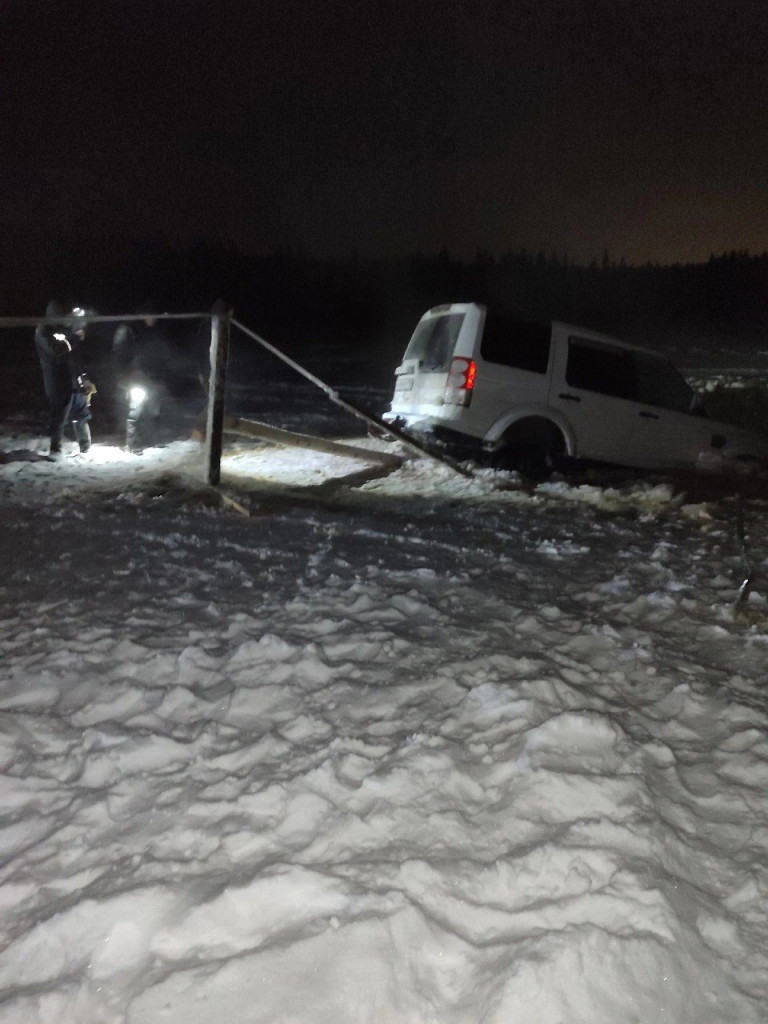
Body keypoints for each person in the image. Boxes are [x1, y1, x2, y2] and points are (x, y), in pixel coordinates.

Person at [34, 300, 96, 456]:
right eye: (63, 315)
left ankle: (85, 446)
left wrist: (85, 377)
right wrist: (74, 338)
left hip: (75, 381)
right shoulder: (43, 331)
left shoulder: (66, 329)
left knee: (82, 414)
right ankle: (56, 451)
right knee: (59, 418)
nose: (67, 318)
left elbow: (75, 357)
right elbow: (56, 351)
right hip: (58, 383)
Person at [113, 305, 170, 453]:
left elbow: (156, 352)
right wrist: (125, 377)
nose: (155, 319)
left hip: (151, 376)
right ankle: (132, 442)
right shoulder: (128, 329)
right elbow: (120, 354)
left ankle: (152, 438)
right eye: (153, 316)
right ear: (145, 315)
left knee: (153, 410)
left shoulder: (149, 330)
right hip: (136, 376)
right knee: (136, 410)